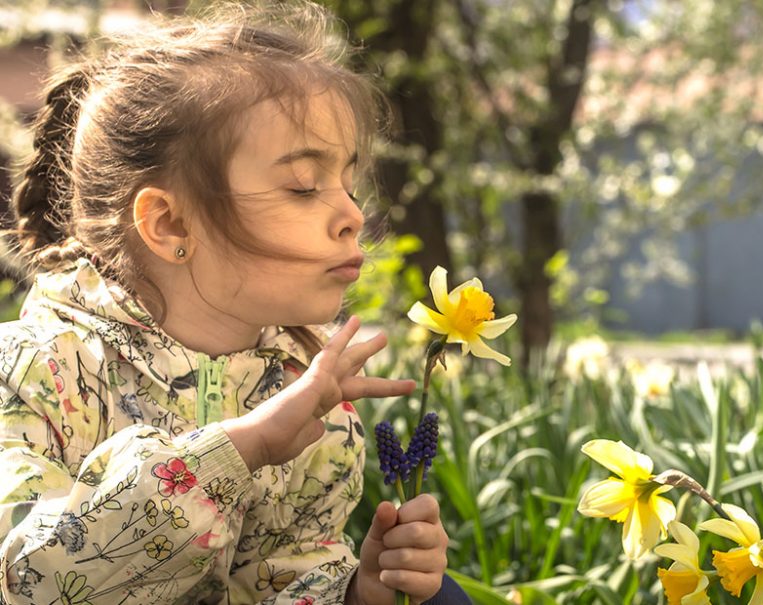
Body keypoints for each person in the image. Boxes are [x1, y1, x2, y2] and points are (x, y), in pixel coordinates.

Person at [0, 2, 471, 604]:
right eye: (304, 187)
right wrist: (239, 449)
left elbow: (279, 578)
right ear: (169, 225)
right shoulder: (40, 371)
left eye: (348, 184)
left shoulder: (303, 384)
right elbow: (29, 583)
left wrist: (360, 590)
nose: (353, 215)